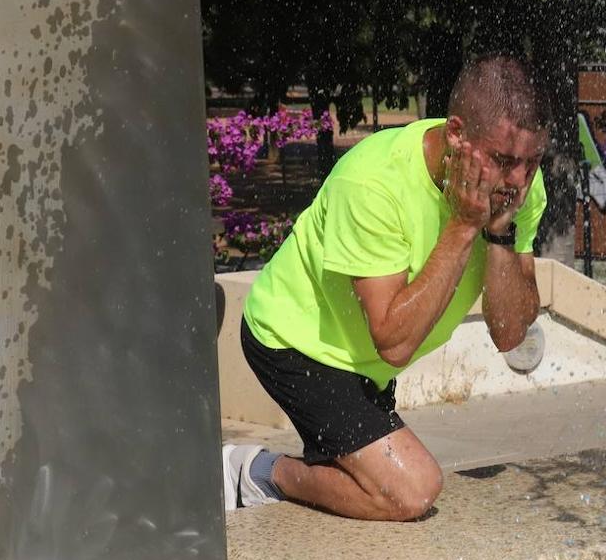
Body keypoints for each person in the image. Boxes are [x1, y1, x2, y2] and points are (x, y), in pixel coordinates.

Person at [223, 54, 549, 521]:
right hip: (293, 343)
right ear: (456, 134)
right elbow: (394, 341)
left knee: (367, 474)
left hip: (365, 364)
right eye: (503, 161)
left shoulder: (520, 189)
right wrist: (461, 227)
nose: (518, 180)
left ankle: (318, 458)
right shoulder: (374, 183)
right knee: (411, 489)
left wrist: (498, 230)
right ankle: (258, 472)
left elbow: (511, 333)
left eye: (532, 162)